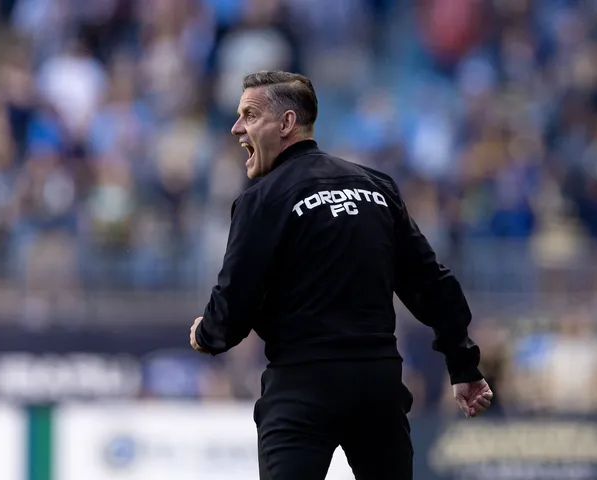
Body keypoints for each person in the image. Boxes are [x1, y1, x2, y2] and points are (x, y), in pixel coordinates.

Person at [189, 71, 493, 480]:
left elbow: (233, 306)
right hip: (377, 385)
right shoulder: (377, 188)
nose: (236, 127)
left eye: (250, 115)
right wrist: (463, 364)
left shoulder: (262, 200)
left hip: (302, 385)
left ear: (287, 123)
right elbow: (433, 285)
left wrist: (206, 334)